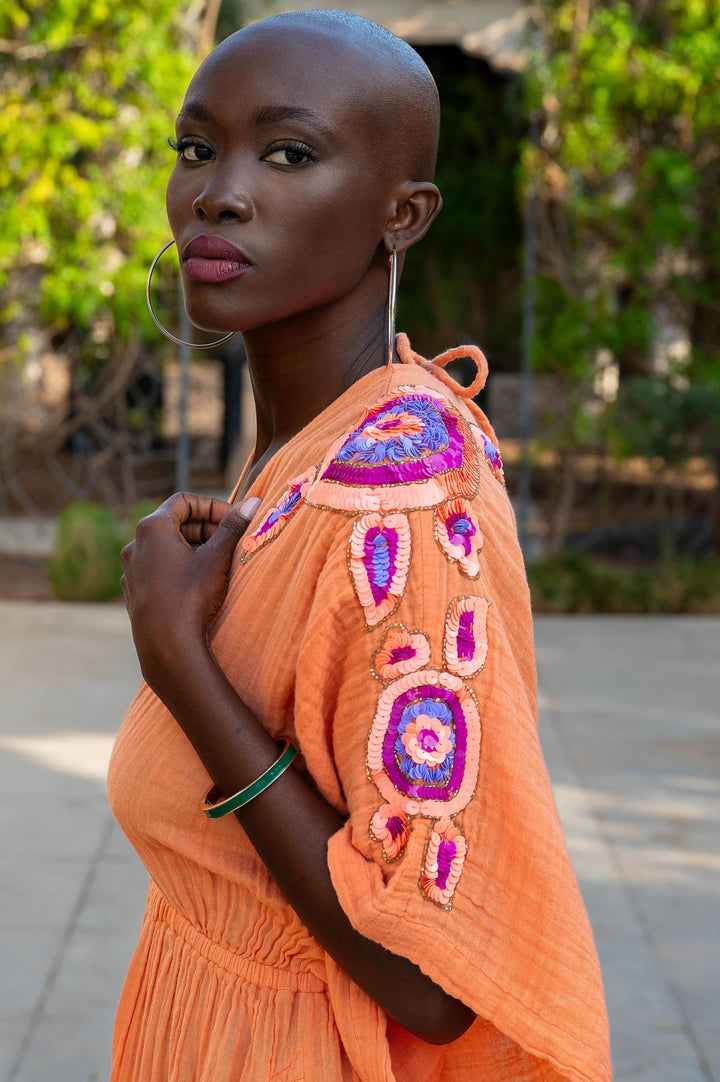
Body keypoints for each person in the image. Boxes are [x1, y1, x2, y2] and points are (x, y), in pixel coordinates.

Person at [110, 10, 611, 1082]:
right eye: (197, 148)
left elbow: (431, 978)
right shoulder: (308, 445)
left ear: (403, 214)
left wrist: (180, 661)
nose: (219, 193)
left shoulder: (402, 497)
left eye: (289, 154)